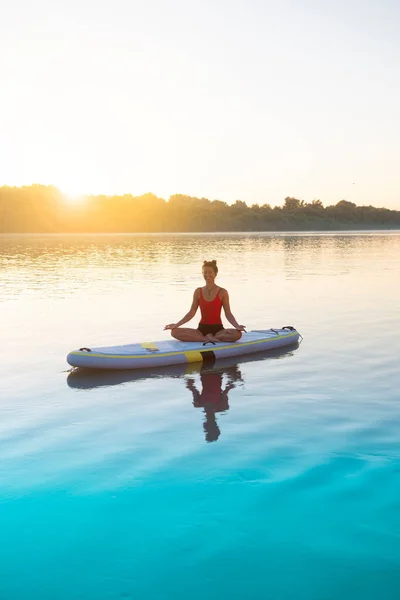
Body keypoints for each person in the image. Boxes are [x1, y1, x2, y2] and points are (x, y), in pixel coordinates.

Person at [164, 260, 246, 343]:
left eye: (210, 272)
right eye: (205, 272)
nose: (207, 275)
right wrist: (176, 325)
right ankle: (206, 338)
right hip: (201, 330)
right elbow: (191, 312)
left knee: (237, 334)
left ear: (215, 273)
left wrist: (237, 326)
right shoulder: (198, 291)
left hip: (218, 330)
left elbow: (228, 313)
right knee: (174, 332)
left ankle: (211, 337)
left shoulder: (223, 292)